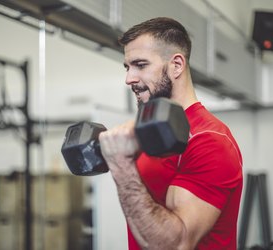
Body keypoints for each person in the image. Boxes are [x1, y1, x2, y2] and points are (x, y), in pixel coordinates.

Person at [98, 17, 243, 249]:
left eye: (140, 65)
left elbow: (177, 244)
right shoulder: (148, 131)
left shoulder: (209, 140)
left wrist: (122, 166)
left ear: (176, 65)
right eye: (127, 67)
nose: (129, 79)